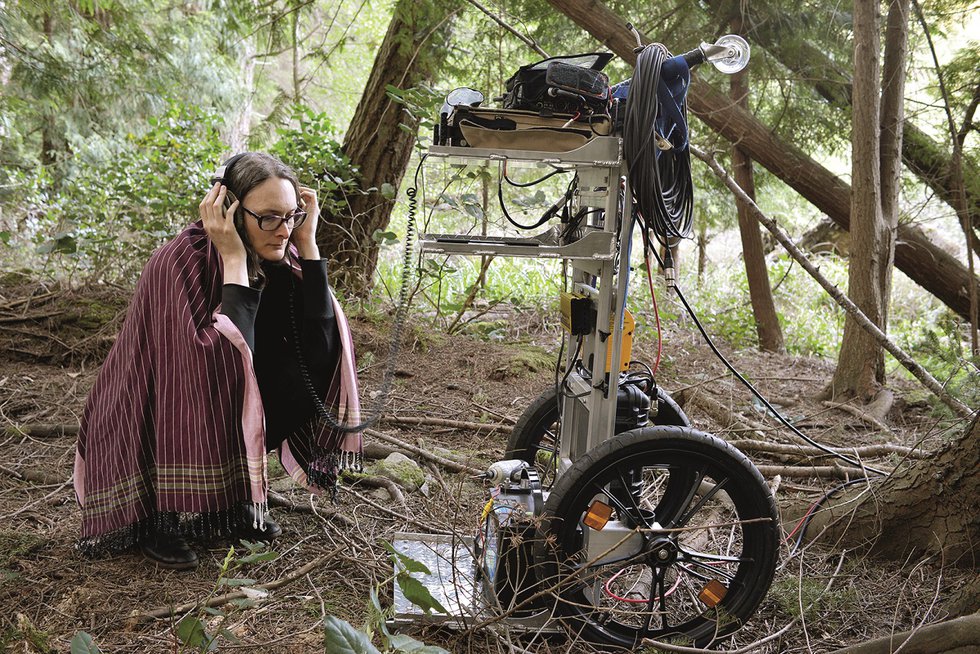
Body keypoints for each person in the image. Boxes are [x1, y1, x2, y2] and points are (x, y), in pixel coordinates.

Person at [74, 152, 362, 569]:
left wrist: (310, 244)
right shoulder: (177, 261)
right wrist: (232, 261)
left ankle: (229, 499)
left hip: (214, 390)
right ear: (228, 210)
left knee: (298, 378)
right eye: (268, 217)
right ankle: (160, 514)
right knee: (213, 375)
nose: (282, 230)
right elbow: (208, 365)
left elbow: (320, 352)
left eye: (291, 216)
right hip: (154, 407)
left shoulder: (283, 252)